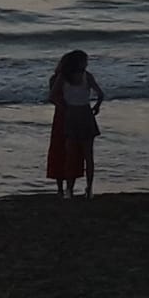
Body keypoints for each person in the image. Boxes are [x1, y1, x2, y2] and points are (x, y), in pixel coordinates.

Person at [44, 49, 104, 198]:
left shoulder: (63, 77)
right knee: (87, 154)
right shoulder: (85, 76)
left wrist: (64, 107)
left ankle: (69, 190)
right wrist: (96, 106)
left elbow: (52, 96)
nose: (87, 64)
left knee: (71, 154)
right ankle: (88, 189)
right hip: (85, 114)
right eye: (85, 61)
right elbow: (100, 94)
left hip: (71, 115)